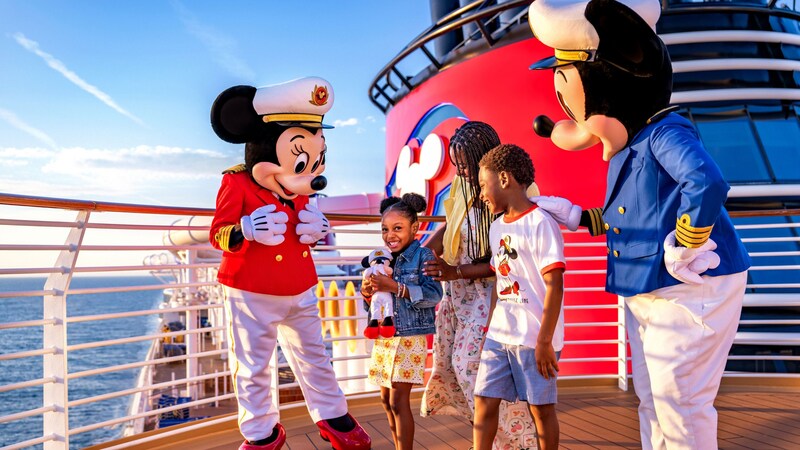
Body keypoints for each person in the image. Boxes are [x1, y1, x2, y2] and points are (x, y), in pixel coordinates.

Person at [526, 0, 750, 448]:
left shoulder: (664, 132)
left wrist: (687, 242)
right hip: (644, 287)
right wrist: (578, 217)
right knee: (652, 401)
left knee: (680, 403)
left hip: (688, 287)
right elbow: (634, 215)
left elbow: (706, 182)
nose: (572, 120)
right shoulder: (627, 146)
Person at [208, 77, 370, 450]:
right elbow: (218, 233)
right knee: (253, 366)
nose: (313, 174)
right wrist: (245, 230)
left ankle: (333, 415)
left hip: (299, 285)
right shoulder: (237, 184)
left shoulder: (301, 189)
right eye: (301, 160)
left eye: (317, 159)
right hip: (251, 290)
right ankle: (261, 433)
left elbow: (300, 231)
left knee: (315, 355)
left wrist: (317, 230)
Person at [420, 121, 538, 449]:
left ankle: (517, 441)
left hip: (491, 294)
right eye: (456, 165)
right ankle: (486, 440)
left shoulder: (512, 191)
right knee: (453, 366)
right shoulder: (463, 187)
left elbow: (509, 259)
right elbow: (451, 227)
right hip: (459, 294)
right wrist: (420, 255)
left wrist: (455, 272)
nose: (460, 172)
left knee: (476, 369)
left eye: (465, 164)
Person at [473, 144, 566, 450]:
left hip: (535, 338)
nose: (481, 194)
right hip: (500, 334)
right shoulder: (496, 227)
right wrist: (489, 328)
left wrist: (544, 342)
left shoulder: (541, 223)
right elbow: (499, 277)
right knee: (484, 399)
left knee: (541, 409)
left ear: (504, 179)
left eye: (483, 185)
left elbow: (555, 285)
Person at [359, 193, 443, 450]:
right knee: (386, 400)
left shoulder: (424, 256)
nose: (390, 235)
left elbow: (434, 294)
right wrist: (367, 293)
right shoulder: (382, 259)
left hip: (409, 337)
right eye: (385, 229)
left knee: (398, 401)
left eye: (397, 228)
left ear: (414, 228)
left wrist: (396, 287)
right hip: (386, 336)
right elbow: (374, 306)